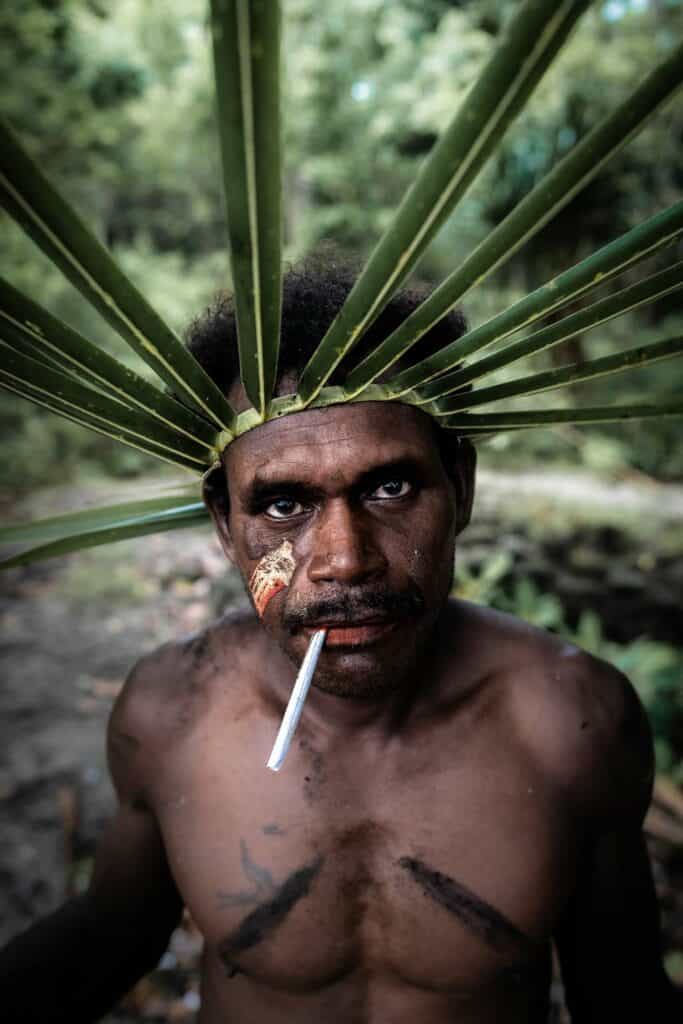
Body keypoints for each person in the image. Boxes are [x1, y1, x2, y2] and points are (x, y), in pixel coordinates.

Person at [1, 257, 678, 1023]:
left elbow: (620, 993)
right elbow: (112, 936)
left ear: (459, 486)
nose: (345, 559)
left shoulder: (574, 721)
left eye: (388, 487)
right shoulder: (168, 713)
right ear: (226, 523)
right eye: (284, 503)